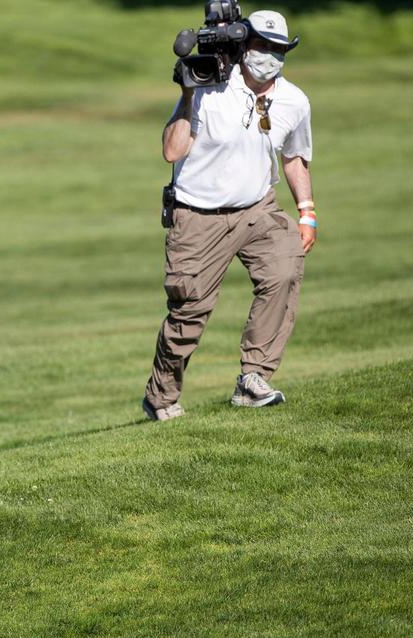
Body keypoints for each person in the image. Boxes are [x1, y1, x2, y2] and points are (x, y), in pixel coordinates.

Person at [143, 10, 318, 421]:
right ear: (244, 47)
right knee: (188, 315)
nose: (269, 57)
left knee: (284, 269)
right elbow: (172, 151)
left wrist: (306, 211)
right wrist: (187, 94)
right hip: (197, 215)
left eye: (279, 50)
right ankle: (161, 397)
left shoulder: (294, 100)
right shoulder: (208, 85)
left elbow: (293, 156)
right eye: (262, 47)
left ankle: (254, 379)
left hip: (258, 209)